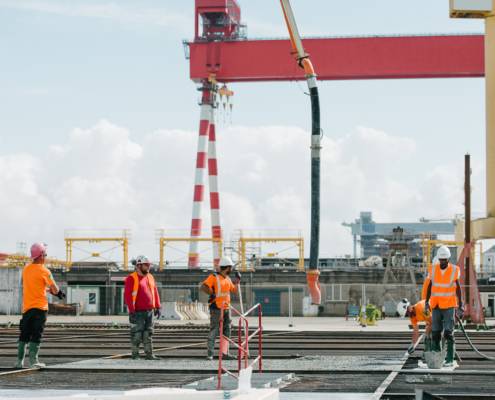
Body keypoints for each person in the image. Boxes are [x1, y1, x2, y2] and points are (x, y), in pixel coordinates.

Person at [15, 243, 66, 368]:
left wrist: (45, 290)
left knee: (24, 334)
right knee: (36, 334)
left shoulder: (26, 269)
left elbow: (35, 286)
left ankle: (19, 362)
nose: (46, 256)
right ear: (42, 255)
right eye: (45, 254)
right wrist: (58, 293)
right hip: (40, 309)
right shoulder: (45, 271)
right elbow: (54, 288)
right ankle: (34, 361)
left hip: (27, 308)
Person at [424, 245, 463, 367]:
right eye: (441, 260)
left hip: (449, 305)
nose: (442, 262)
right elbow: (430, 286)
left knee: (448, 333)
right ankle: (437, 357)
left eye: (444, 260)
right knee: (435, 333)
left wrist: (460, 305)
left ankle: (449, 359)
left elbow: (458, 288)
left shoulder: (454, 270)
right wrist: (426, 302)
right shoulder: (433, 269)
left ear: (448, 259)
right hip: (435, 305)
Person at [201, 257, 241, 360]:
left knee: (227, 331)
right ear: (227, 267)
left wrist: (237, 281)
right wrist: (212, 293)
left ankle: (224, 353)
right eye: (231, 267)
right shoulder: (214, 277)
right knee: (214, 330)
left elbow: (234, 290)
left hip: (226, 308)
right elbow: (203, 286)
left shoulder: (227, 279)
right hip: (216, 308)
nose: (232, 269)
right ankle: (210, 354)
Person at [124, 255, 161, 360]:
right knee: (137, 334)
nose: (148, 267)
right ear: (139, 266)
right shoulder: (131, 278)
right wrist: (131, 310)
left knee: (148, 333)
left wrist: (158, 306)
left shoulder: (150, 277)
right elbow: (127, 296)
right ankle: (135, 355)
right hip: (137, 312)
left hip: (149, 311)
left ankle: (149, 355)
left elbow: (155, 292)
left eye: (148, 265)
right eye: (146, 265)